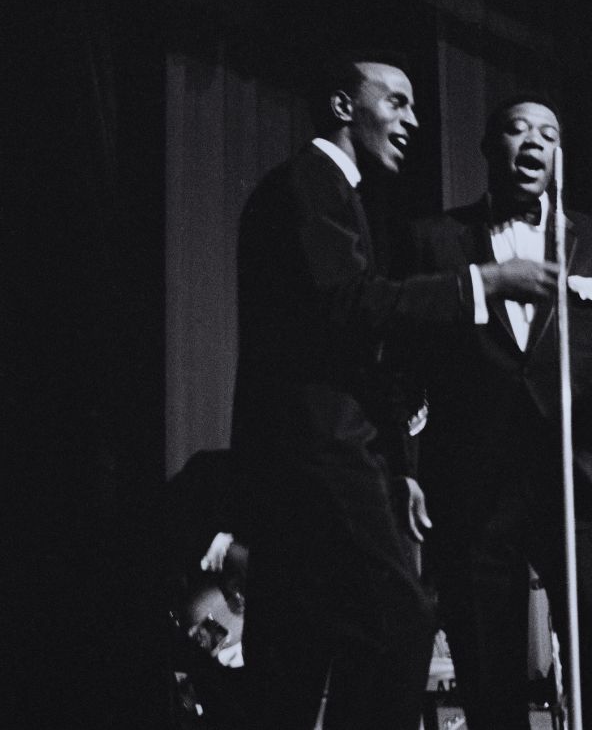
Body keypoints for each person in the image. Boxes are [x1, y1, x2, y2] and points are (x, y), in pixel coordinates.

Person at [230, 55, 552, 729]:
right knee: (399, 622)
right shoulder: (310, 182)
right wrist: (482, 283)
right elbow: (348, 306)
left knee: (292, 655)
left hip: (308, 459)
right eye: (397, 102)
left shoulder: (334, 193)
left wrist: (399, 467)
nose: (412, 120)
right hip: (318, 454)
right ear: (345, 105)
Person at [403, 94, 592, 729]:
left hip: (575, 476)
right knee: (487, 657)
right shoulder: (435, 239)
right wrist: (406, 466)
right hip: (472, 483)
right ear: (490, 149)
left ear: (559, 156)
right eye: (517, 132)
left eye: (547, 135)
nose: (533, 145)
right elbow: (405, 364)